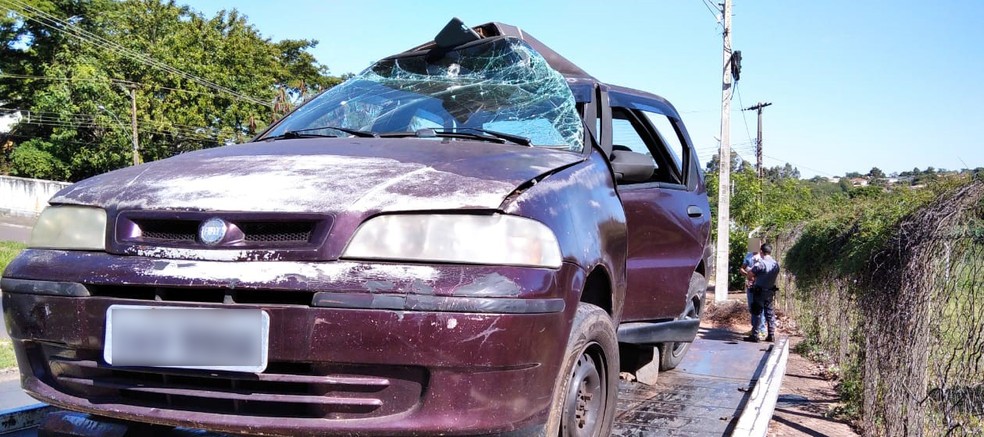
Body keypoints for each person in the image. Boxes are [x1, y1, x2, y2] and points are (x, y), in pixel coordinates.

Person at [743, 243, 779, 342]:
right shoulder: (775, 264)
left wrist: (753, 276)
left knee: (757, 313)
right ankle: (771, 335)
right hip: (770, 292)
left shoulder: (760, 263)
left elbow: (750, 274)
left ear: (761, 252)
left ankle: (755, 335)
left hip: (759, 292)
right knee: (769, 313)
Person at [739, 247, 766, 339]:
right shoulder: (748, 256)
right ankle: (754, 328)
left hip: (760, 286)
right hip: (750, 285)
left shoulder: (763, 257)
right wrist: (748, 274)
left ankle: (761, 330)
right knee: (752, 307)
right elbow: (742, 268)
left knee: (760, 308)